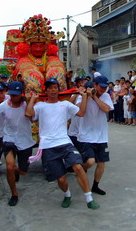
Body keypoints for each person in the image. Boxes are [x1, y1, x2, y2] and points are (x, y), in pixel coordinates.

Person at [26, 78, 100, 209]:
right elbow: (29, 114)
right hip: (48, 146)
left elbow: (81, 113)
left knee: (78, 166)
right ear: (46, 90)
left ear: (58, 90)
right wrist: (32, 99)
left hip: (64, 142)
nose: (53, 90)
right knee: (61, 179)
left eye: (55, 87)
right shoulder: (41, 106)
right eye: (50, 88)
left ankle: (89, 198)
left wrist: (84, 97)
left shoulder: (65, 105)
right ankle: (67, 195)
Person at [0, 81, 35, 206]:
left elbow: (32, 117)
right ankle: (14, 193)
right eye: (12, 95)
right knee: (10, 167)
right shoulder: (4, 105)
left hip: (25, 140)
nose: (13, 98)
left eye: (16, 95)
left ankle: (18, 172)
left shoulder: (27, 104)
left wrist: (31, 101)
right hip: (9, 139)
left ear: (21, 94)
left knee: (23, 172)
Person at [75, 75, 113, 196]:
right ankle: (81, 169)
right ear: (95, 85)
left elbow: (106, 109)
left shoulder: (105, 96)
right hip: (86, 136)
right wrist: (86, 96)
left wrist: (95, 97)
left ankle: (95, 186)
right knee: (91, 161)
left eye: (105, 87)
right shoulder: (83, 96)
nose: (103, 90)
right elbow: (80, 111)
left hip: (101, 136)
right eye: (101, 87)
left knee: (101, 163)